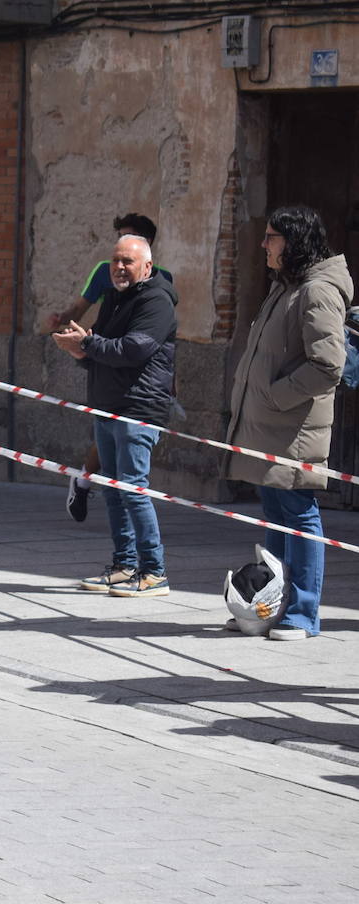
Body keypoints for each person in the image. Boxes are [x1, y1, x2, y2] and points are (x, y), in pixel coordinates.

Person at [223, 205, 351, 640]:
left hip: (293, 430)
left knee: (299, 518)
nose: (264, 245)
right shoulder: (286, 287)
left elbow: (327, 366)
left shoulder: (317, 291)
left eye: (272, 237)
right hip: (267, 428)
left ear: (294, 243)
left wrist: (276, 396)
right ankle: (269, 606)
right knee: (276, 519)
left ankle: (303, 613)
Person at [53, 234, 177, 597]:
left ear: (147, 267)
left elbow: (136, 348)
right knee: (110, 487)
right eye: (116, 260)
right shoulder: (113, 297)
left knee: (134, 490)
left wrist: (89, 344)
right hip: (107, 404)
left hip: (138, 408)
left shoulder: (157, 301)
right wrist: (82, 351)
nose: (120, 268)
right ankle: (124, 566)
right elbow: (102, 344)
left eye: (128, 261)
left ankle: (154, 572)